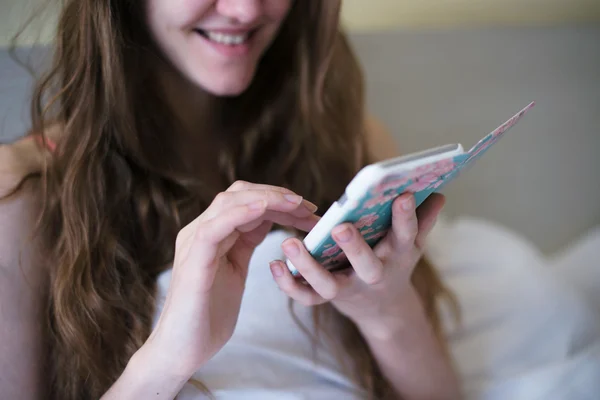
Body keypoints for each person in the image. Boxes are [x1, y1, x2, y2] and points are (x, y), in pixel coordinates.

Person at [0, 1, 462, 399]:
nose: (245, 10)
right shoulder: (20, 193)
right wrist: (167, 360)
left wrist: (385, 309)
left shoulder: (350, 144)